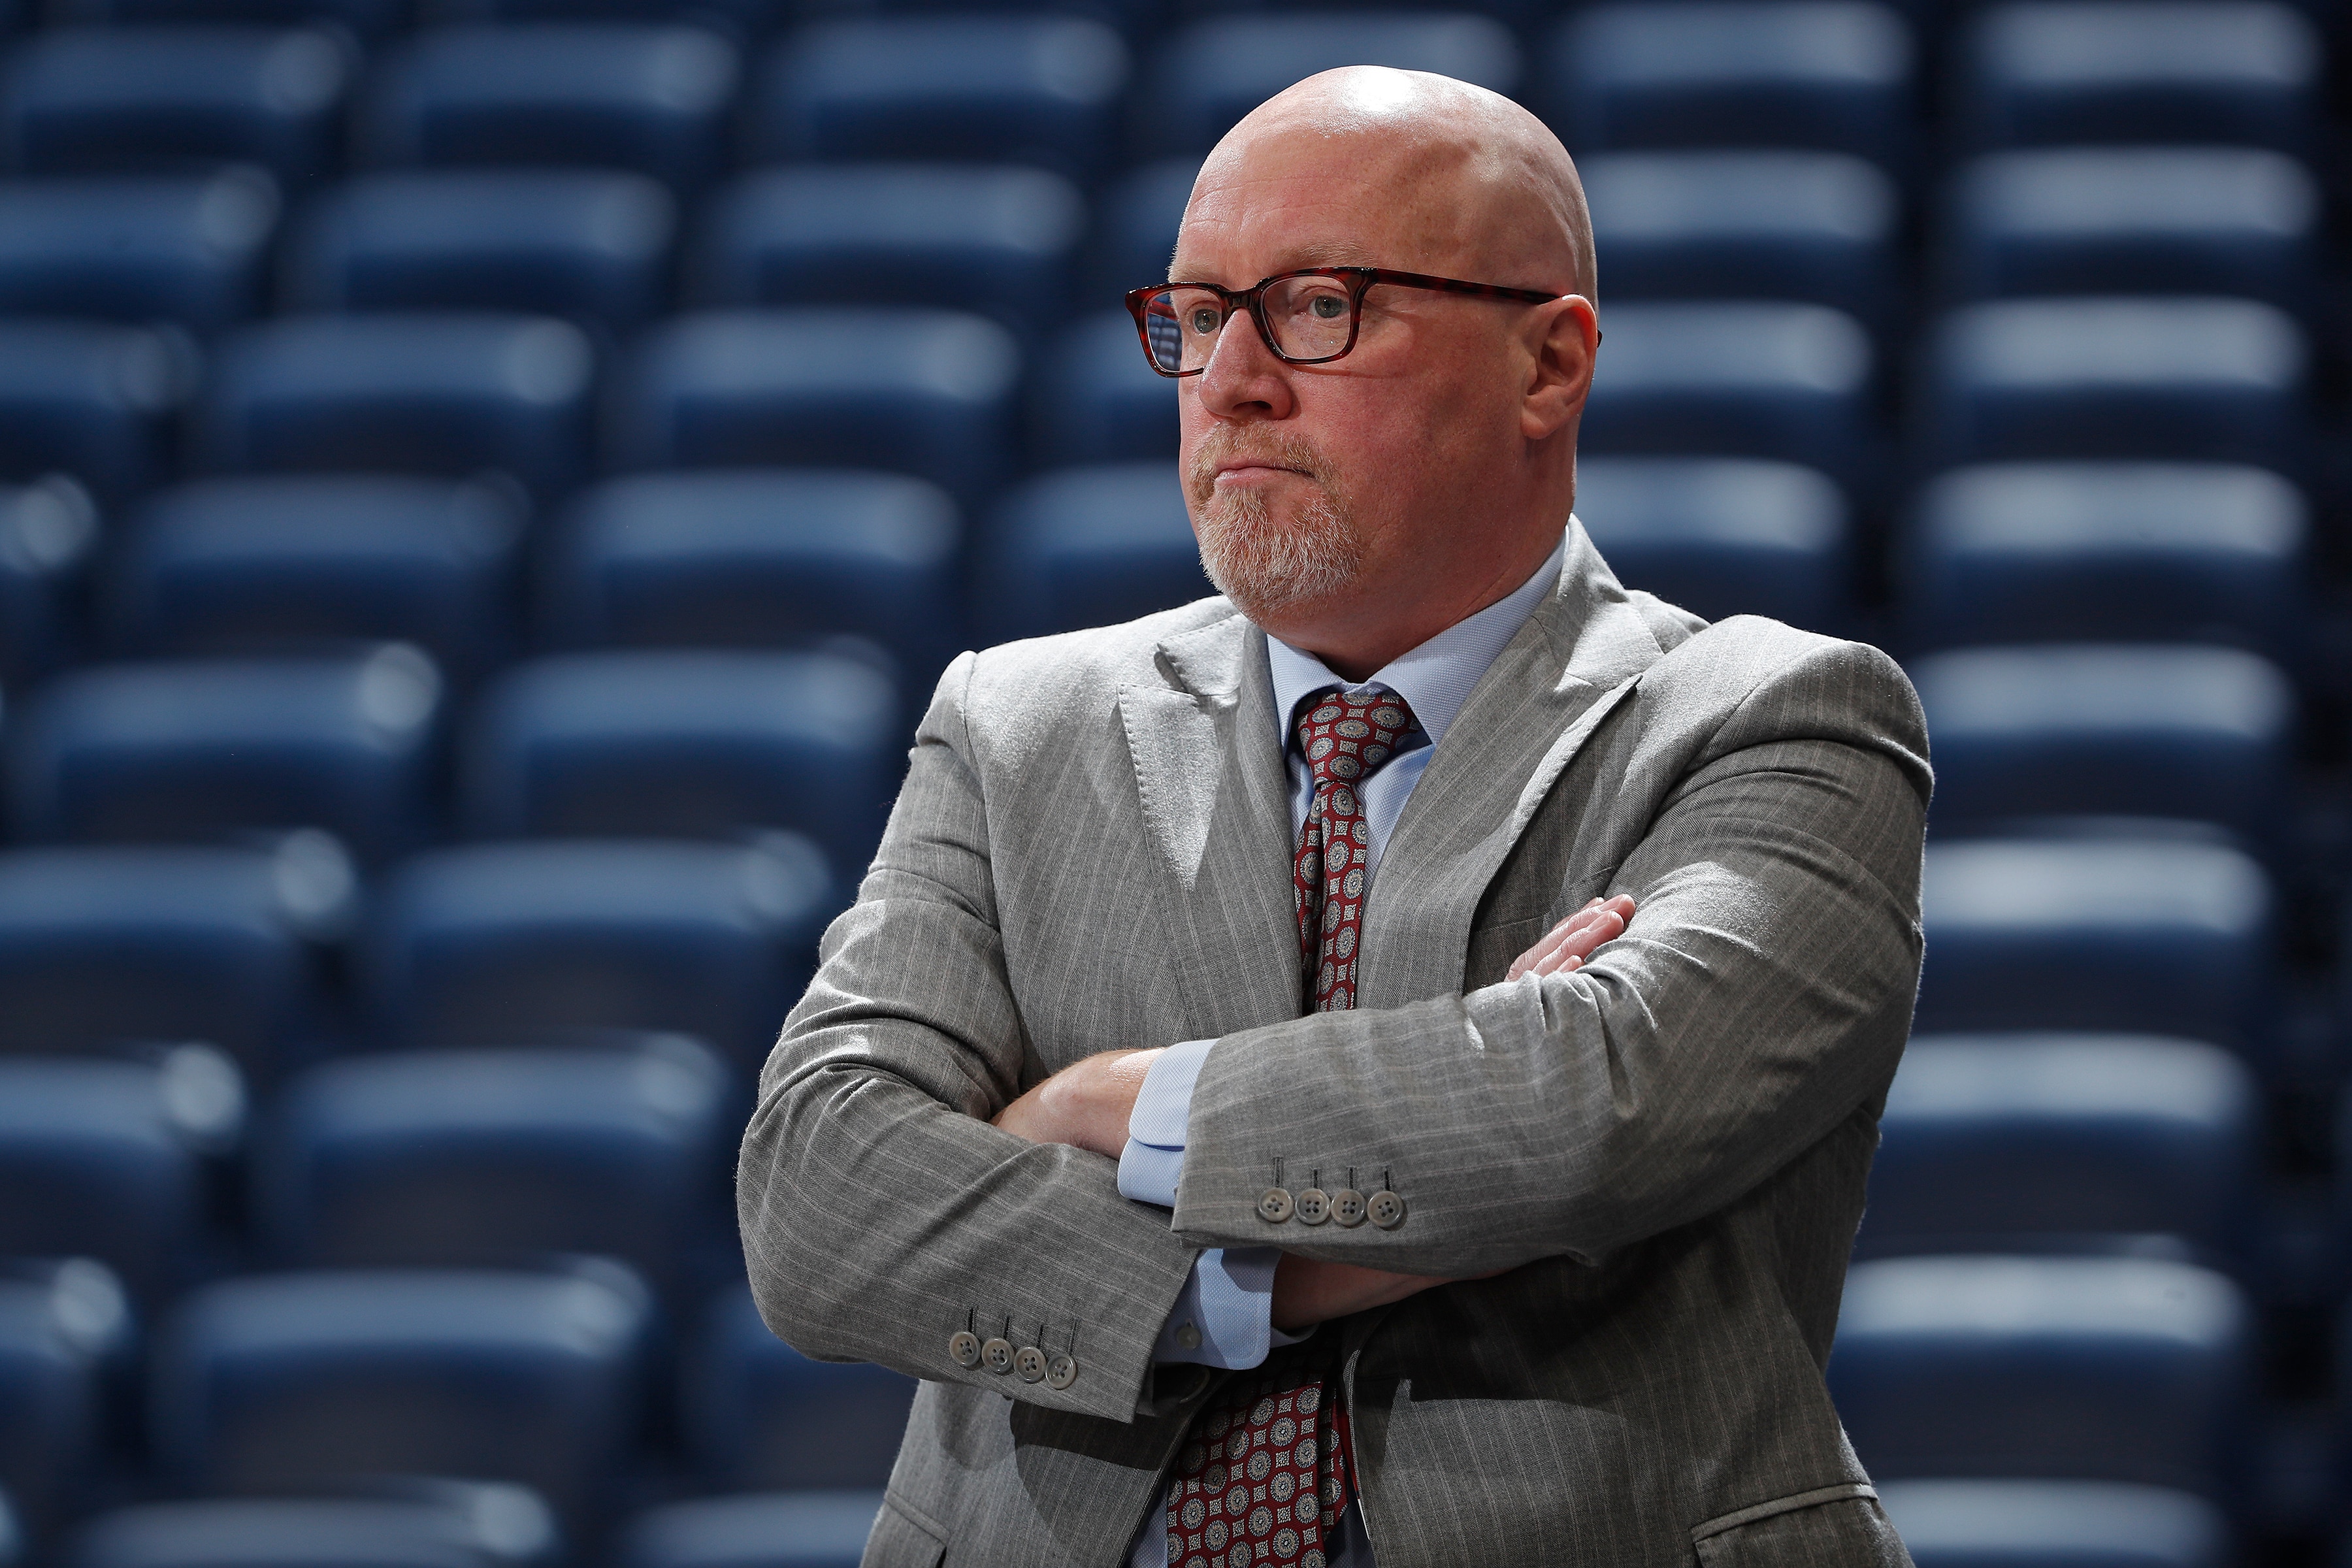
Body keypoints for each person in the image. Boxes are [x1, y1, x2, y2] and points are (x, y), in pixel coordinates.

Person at [738, 64, 1931, 1568]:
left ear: (1549, 363)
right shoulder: (1014, 722)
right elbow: (820, 1197)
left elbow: (1594, 1105)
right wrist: (1268, 1282)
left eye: (1320, 307)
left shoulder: (1777, 716)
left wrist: (1100, 1105)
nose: (1230, 378)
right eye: (1196, 316)